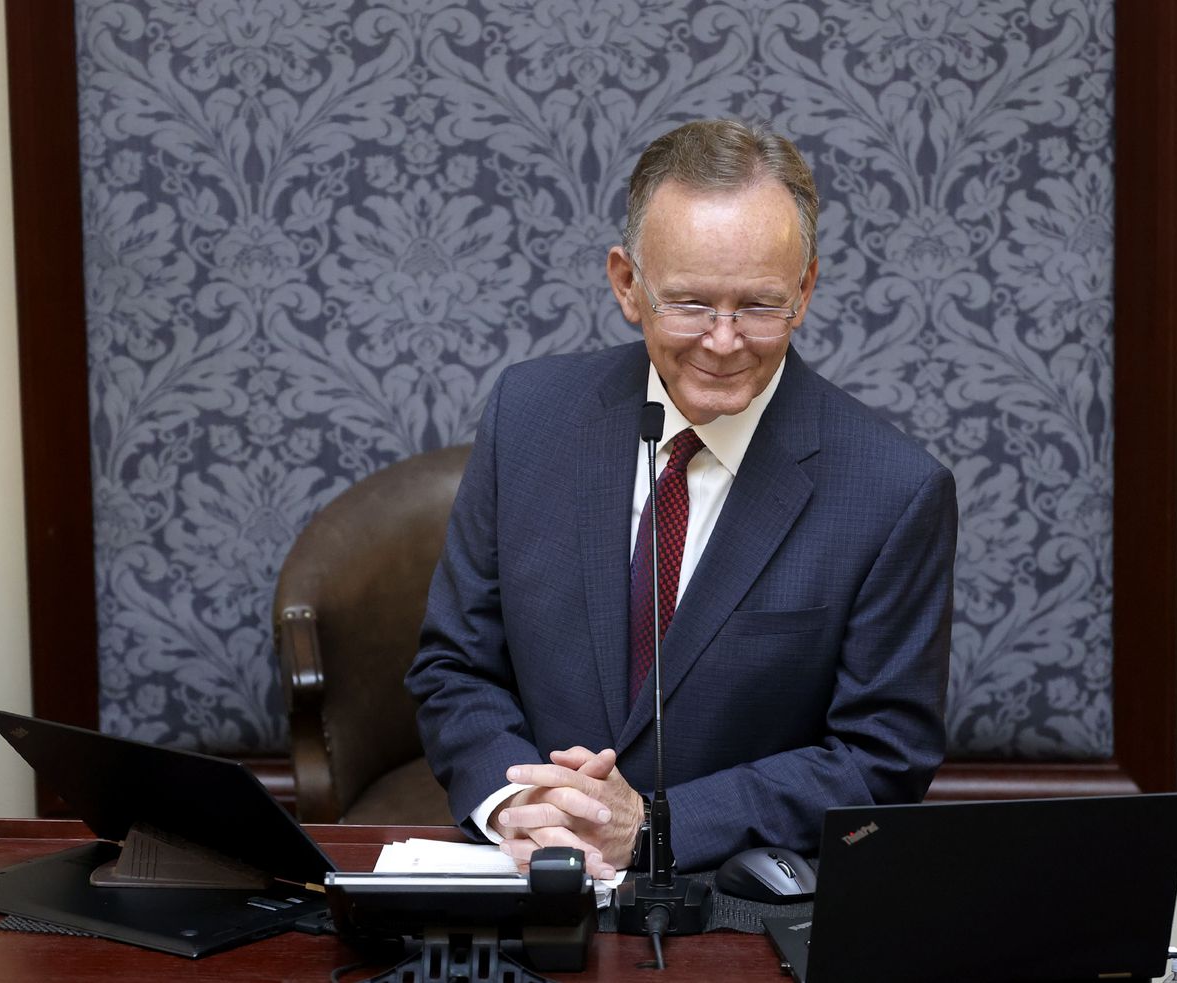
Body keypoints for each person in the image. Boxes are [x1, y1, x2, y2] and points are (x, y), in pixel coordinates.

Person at [405, 119, 957, 879]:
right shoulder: (526, 415)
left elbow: (880, 761)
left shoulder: (895, 491)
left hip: (737, 901)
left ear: (806, 289)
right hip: (527, 875)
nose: (724, 341)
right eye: (691, 303)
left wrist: (657, 827)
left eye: (760, 306)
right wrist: (518, 807)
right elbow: (454, 666)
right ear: (627, 283)